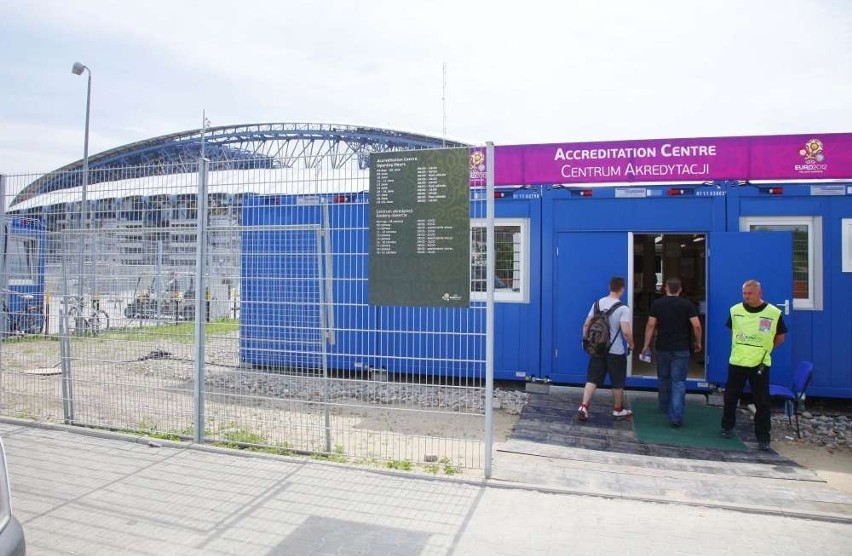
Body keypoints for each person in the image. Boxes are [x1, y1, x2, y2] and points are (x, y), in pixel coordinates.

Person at [721, 279, 787, 451]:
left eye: (750, 293)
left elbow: (780, 337)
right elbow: (731, 330)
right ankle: (726, 427)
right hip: (738, 360)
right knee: (730, 397)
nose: (747, 296)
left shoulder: (773, 313)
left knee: (762, 401)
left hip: (760, 363)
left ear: (760, 293)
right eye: (744, 293)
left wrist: (764, 348)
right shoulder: (735, 310)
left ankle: (763, 437)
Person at [641, 277, 702, 428]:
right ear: (680, 289)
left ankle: (664, 407)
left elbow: (650, 324)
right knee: (678, 381)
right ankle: (676, 415)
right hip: (681, 348)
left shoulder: (657, 304)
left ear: (665, 288)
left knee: (663, 378)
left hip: (662, 346)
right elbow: (697, 326)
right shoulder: (687, 305)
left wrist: (646, 344)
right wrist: (698, 342)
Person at [577, 276, 635, 421]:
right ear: (622, 289)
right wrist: (631, 344)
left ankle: (584, 406)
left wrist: (586, 340)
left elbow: (586, 324)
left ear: (610, 287)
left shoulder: (597, 304)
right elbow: (626, 331)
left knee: (592, 378)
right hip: (615, 351)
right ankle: (617, 410)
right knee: (617, 381)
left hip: (598, 349)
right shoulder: (623, 308)